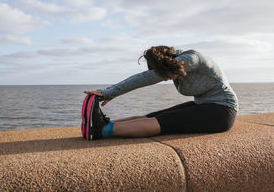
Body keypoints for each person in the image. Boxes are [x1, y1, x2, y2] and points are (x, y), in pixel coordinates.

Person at [83, 45, 238, 140]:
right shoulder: (178, 66)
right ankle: (105, 124)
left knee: (163, 122)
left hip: (222, 111)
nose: (165, 79)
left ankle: (101, 131)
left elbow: (148, 78)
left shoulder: (192, 58)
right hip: (205, 105)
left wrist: (110, 92)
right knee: (153, 116)